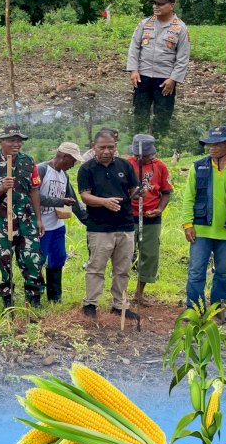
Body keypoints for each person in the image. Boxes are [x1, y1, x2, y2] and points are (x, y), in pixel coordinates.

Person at [182, 127, 226, 322]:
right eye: (209, 143)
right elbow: (188, 198)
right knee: (196, 270)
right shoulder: (198, 167)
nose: (212, 147)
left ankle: (218, 309)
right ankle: (194, 309)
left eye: (217, 144)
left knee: (224, 272)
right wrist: (187, 224)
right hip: (201, 229)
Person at [77, 129, 141, 321]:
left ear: (116, 147)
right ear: (94, 147)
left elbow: (133, 190)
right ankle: (90, 303)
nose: (106, 151)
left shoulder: (125, 166)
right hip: (99, 227)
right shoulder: (86, 169)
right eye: (102, 147)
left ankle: (119, 304)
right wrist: (104, 202)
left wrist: (141, 192)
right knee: (96, 267)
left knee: (122, 269)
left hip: (125, 225)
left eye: (110, 147)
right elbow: (85, 196)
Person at [0, 126, 44, 309]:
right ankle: (6, 299)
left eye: (19, 140)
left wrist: (38, 219)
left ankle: (34, 298)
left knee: (32, 258)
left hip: (26, 220)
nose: (16, 144)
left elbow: (34, 190)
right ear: (1, 141)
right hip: (2, 222)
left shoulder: (28, 162)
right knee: (2, 260)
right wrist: (1, 188)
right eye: (11, 140)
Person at [126, 0, 190, 137]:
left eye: (161, 4)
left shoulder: (180, 28)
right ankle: (139, 146)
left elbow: (183, 57)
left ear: (171, 6)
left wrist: (173, 79)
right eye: (155, 3)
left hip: (165, 80)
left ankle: (159, 147)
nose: (156, 6)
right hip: (143, 76)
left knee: (162, 116)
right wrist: (133, 70)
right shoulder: (145, 24)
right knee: (140, 114)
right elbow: (134, 47)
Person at [126, 134, 172, 306]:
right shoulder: (126, 164)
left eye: (145, 155)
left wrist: (159, 209)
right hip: (129, 217)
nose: (142, 158)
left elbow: (166, 192)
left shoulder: (160, 166)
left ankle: (139, 293)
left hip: (151, 218)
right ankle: (120, 294)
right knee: (125, 254)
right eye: (139, 155)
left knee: (150, 255)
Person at [38, 142, 86, 303]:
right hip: (41, 226)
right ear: (64, 157)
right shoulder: (42, 170)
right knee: (38, 260)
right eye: (73, 161)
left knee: (58, 258)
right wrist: (60, 201)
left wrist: (90, 222)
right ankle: (35, 296)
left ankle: (55, 296)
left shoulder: (63, 176)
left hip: (57, 226)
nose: (73, 165)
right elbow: (34, 197)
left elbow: (74, 202)